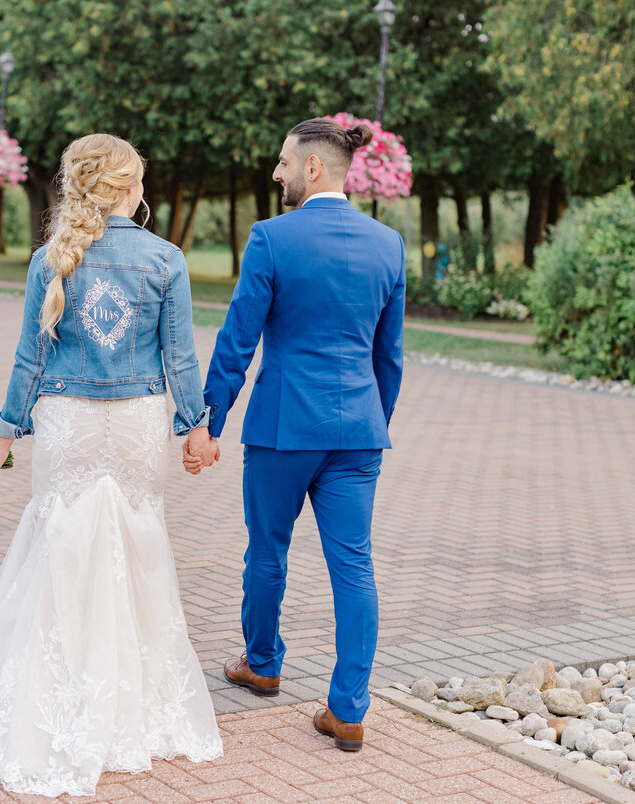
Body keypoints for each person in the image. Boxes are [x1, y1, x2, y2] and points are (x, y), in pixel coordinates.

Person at [0, 133, 223, 796]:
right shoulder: (166, 259)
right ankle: (136, 703)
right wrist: (197, 428)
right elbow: (180, 358)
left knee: (64, 545)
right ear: (131, 189)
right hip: (136, 422)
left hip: (67, 422)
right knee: (137, 545)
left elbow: (30, 358)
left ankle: (57, 694)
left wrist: (1, 437)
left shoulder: (52, 258)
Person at [184, 118, 406, 752]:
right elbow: (389, 358)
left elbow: (238, 339)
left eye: (283, 162)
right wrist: (372, 421)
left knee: (267, 551)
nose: (275, 172)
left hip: (284, 429)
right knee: (355, 568)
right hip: (359, 433)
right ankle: (348, 709)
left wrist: (211, 419)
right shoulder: (387, 244)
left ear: (313, 168)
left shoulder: (272, 239)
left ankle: (263, 663)